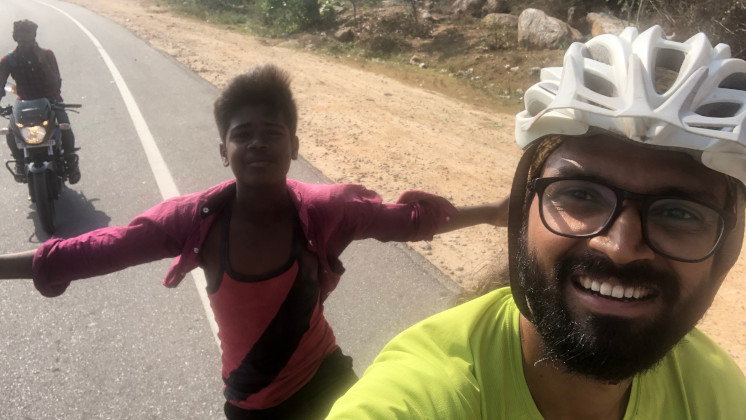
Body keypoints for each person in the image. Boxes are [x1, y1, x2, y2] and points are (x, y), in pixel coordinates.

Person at [0, 64, 506, 419]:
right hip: (252, 403)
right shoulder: (193, 220)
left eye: (273, 131)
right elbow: (96, 249)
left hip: (329, 378)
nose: (258, 142)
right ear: (224, 151)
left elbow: (410, 220)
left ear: (295, 146)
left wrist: (493, 215)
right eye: (243, 134)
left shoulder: (326, 212)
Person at [326, 26, 746, 419]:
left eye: (679, 213)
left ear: (727, 250)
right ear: (522, 211)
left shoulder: (715, 389)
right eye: (581, 194)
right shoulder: (424, 393)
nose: (619, 245)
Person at [0, 19, 80, 184]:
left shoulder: (47, 54)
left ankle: (71, 163)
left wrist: (43, 64)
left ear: (35, 37)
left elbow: (56, 83)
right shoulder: (8, 60)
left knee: (65, 127)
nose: (26, 44)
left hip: (50, 100)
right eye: (22, 41)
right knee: (11, 133)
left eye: (29, 40)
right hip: (24, 104)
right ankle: (20, 163)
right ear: (15, 38)